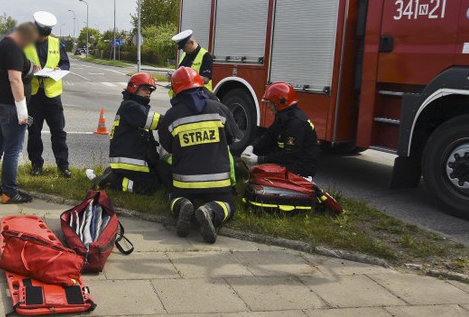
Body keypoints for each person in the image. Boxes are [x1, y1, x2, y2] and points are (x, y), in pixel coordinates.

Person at [158, 67, 239, 244]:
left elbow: (167, 147)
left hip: (185, 182)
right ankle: (211, 211)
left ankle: (182, 205)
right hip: (218, 182)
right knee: (228, 204)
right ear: (200, 87)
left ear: (176, 90)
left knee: (174, 197)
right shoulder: (219, 109)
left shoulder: (171, 116)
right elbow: (233, 138)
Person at [0, 23, 38, 204]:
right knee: (13, 150)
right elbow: (14, 79)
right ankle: (9, 192)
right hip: (9, 105)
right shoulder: (14, 47)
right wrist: (22, 110)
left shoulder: (2, 45)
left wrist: (30, 68)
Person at [91, 73, 166, 194]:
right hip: (129, 161)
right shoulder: (130, 106)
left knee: (159, 178)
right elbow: (156, 121)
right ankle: (114, 180)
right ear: (134, 88)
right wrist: (173, 119)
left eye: (150, 90)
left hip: (133, 157)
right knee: (149, 188)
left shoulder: (135, 107)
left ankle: (113, 174)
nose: (148, 92)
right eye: (145, 89)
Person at [24, 11, 72, 178]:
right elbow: (18, 66)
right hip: (34, 96)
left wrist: (60, 69)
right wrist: (30, 69)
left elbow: (65, 63)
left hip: (52, 95)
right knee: (34, 132)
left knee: (58, 132)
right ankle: (36, 164)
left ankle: (63, 166)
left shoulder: (56, 43)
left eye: (45, 35)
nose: (42, 38)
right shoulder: (26, 44)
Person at [241, 82, 319, 181]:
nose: (268, 106)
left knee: (257, 175)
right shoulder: (284, 116)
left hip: (301, 168)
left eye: (270, 103)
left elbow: (289, 155)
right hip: (292, 160)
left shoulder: (296, 123)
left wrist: (259, 159)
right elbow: (268, 136)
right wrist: (252, 147)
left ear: (279, 103)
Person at [170, 29, 214, 95]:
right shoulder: (185, 55)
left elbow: (206, 79)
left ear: (192, 42)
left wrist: (185, 78)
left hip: (200, 96)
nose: (183, 50)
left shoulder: (206, 56)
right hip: (185, 95)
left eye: (184, 47)